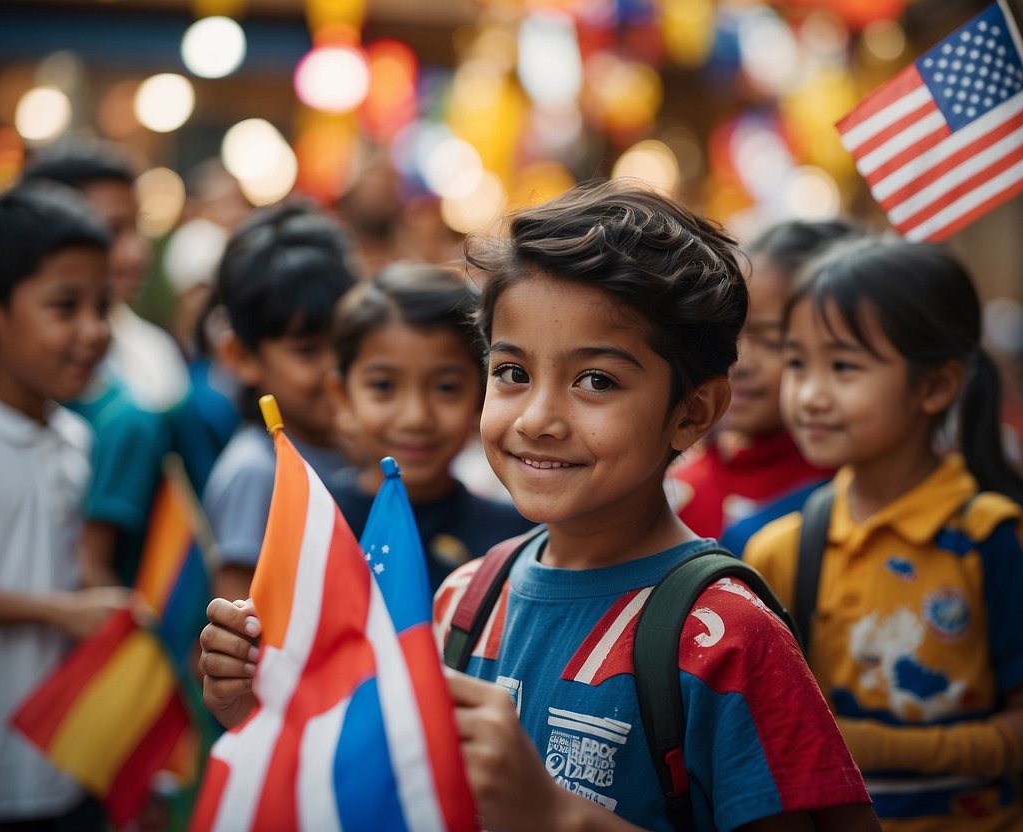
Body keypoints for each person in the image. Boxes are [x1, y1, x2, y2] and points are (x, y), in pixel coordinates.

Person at [199, 182, 878, 830]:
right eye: (512, 372)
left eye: (595, 380)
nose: (538, 419)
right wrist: (262, 709)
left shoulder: (726, 639)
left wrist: (556, 817)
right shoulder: (464, 603)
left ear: (692, 411)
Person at [742, 239, 1023, 830]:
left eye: (843, 366)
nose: (810, 394)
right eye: (796, 363)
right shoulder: (782, 547)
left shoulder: (988, 537)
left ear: (935, 386)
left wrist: (886, 749)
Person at [0, 185, 130, 829]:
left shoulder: (74, 436)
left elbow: (62, 564)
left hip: (59, 763)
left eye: (103, 306)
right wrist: (60, 612)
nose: (94, 331)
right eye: (65, 307)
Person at [325, 262, 534, 590]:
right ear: (341, 397)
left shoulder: (515, 539)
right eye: (383, 386)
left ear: (480, 395)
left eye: (446, 387)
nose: (416, 417)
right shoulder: (314, 520)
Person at [24, 143, 177, 588]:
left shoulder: (154, 354)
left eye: (138, 228)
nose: (136, 252)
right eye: (112, 231)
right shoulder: (20, 373)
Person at [203, 201, 360, 602]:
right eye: (306, 350)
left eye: (342, 344)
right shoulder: (256, 473)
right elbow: (236, 629)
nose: (332, 370)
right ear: (240, 356)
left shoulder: (354, 449)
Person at [668, 220, 858, 550]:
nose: (738, 362)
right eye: (727, 335)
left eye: (771, 341)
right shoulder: (674, 492)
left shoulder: (855, 499)